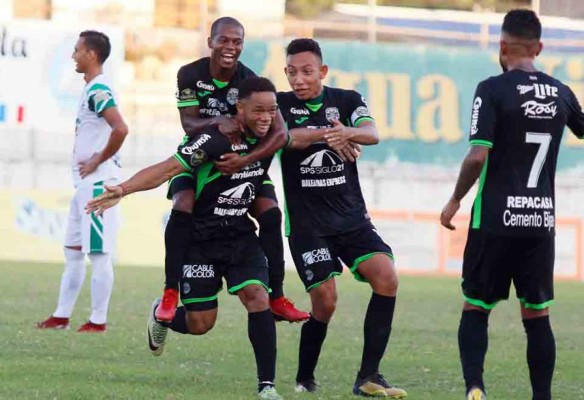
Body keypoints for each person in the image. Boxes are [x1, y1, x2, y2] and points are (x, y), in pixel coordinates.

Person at [86, 77, 284, 400]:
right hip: (201, 240)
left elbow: (294, 136)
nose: (266, 117)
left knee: (257, 297)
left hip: (239, 235)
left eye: (272, 111)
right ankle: (159, 313)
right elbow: (168, 168)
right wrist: (123, 189)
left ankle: (267, 386)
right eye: (258, 110)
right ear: (239, 108)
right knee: (202, 323)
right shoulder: (216, 140)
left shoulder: (272, 136)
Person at [440, 9, 584, 400]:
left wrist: (454, 200)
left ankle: (475, 387)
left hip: (495, 219)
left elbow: (476, 156)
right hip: (539, 223)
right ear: (539, 48)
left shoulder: (492, 88)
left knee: (476, 307)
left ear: (501, 46)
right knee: (537, 315)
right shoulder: (561, 92)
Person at [278, 38, 406, 398]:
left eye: (306, 71)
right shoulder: (280, 104)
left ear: (323, 71)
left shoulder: (347, 100)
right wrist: (329, 135)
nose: (298, 79)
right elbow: (285, 138)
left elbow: (372, 134)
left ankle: (369, 376)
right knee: (326, 299)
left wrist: (347, 133)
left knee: (387, 278)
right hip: (308, 226)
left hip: (352, 221)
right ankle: (305, 377)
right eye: (291, 72)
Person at [159, 16, 308, 323]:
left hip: (244, 163)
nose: (230, 47)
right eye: (224, 40)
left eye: (237, 41)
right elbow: (188, 124)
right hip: (201, 156)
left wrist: (245, 161)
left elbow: (280, 134)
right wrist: (218, 122)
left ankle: (277, 296)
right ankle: (169, 292)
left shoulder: (250, 80)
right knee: (183, 204)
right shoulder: (189, 73)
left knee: (271, 213)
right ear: (210, 41)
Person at [36, 31, 129, 333]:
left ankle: (98, 321)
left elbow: (121, 128)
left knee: (99, 255)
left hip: (100, 183)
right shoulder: (91, 89)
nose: (73, 56)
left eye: (77, 51)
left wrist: (97, 160)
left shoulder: (99, 88)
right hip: (85, 185)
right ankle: (62, 316)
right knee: (74, 251)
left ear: (91, 55)